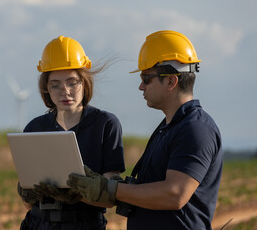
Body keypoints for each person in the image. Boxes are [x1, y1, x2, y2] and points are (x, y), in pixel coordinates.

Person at [67, 30, 223, 230]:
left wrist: (111, 189)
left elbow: (174, 194)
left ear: (170, 81)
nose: (141, 86)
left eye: (146, 78)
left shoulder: (196, 129)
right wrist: (100, 187)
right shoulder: (169, 127)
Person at [18, 35, 125, 230]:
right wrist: (27, 193)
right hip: (37, 224)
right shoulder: (34, 128)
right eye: (55, 85)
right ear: (46, 89)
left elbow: (110, 199)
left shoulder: (105, 125)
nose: (65, 91)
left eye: (72, 82)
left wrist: (77, 194)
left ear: (84, 82)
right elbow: (28, 204)